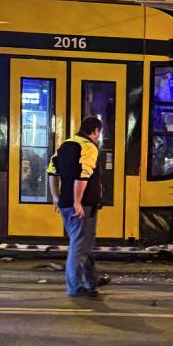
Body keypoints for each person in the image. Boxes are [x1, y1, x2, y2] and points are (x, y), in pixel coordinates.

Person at [47, 116, 105, 298]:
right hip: (82, 206)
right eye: (98, 133)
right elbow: (83, 175)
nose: (98, 137)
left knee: (83, 243)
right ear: (95, 131)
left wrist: (56, 197)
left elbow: (51, 170)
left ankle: (91, 279)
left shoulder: (65, 145)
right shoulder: (88, 147)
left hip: (65, 204)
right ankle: (75, 286)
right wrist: (77, 202)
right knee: (80, 246)